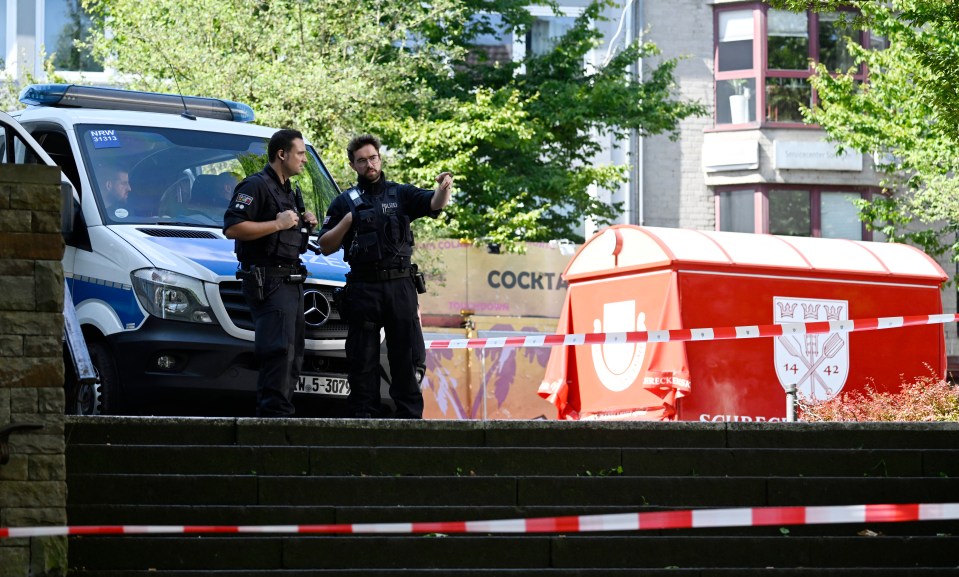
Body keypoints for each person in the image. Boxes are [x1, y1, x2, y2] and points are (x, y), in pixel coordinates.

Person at [318, 134, 452, 419]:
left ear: (380, 158)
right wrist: (348, 221)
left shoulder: (400, 193)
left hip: (400, 284)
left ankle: (409, 419)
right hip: (364, 287)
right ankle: (363, 419)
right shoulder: (344, 202)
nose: (369, 164)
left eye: (373, 158)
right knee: (361, 359)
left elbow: (435, 204)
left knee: (405, 356)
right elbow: (325, 245)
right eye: (362, 160)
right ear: (353, 165)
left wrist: (443, 187)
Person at [223, 129, 319, 417]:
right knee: (277, 353)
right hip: (269, 282)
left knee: (292, 356)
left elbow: (286, 235)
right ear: (282, 154)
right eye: (300, 153)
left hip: (291, 281)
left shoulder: (288, 189)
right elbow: (232, 228)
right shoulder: (255, 186)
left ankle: (282, 420)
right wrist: (277, 224)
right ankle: (273, 425)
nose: (304, 159)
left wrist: (304, 224)